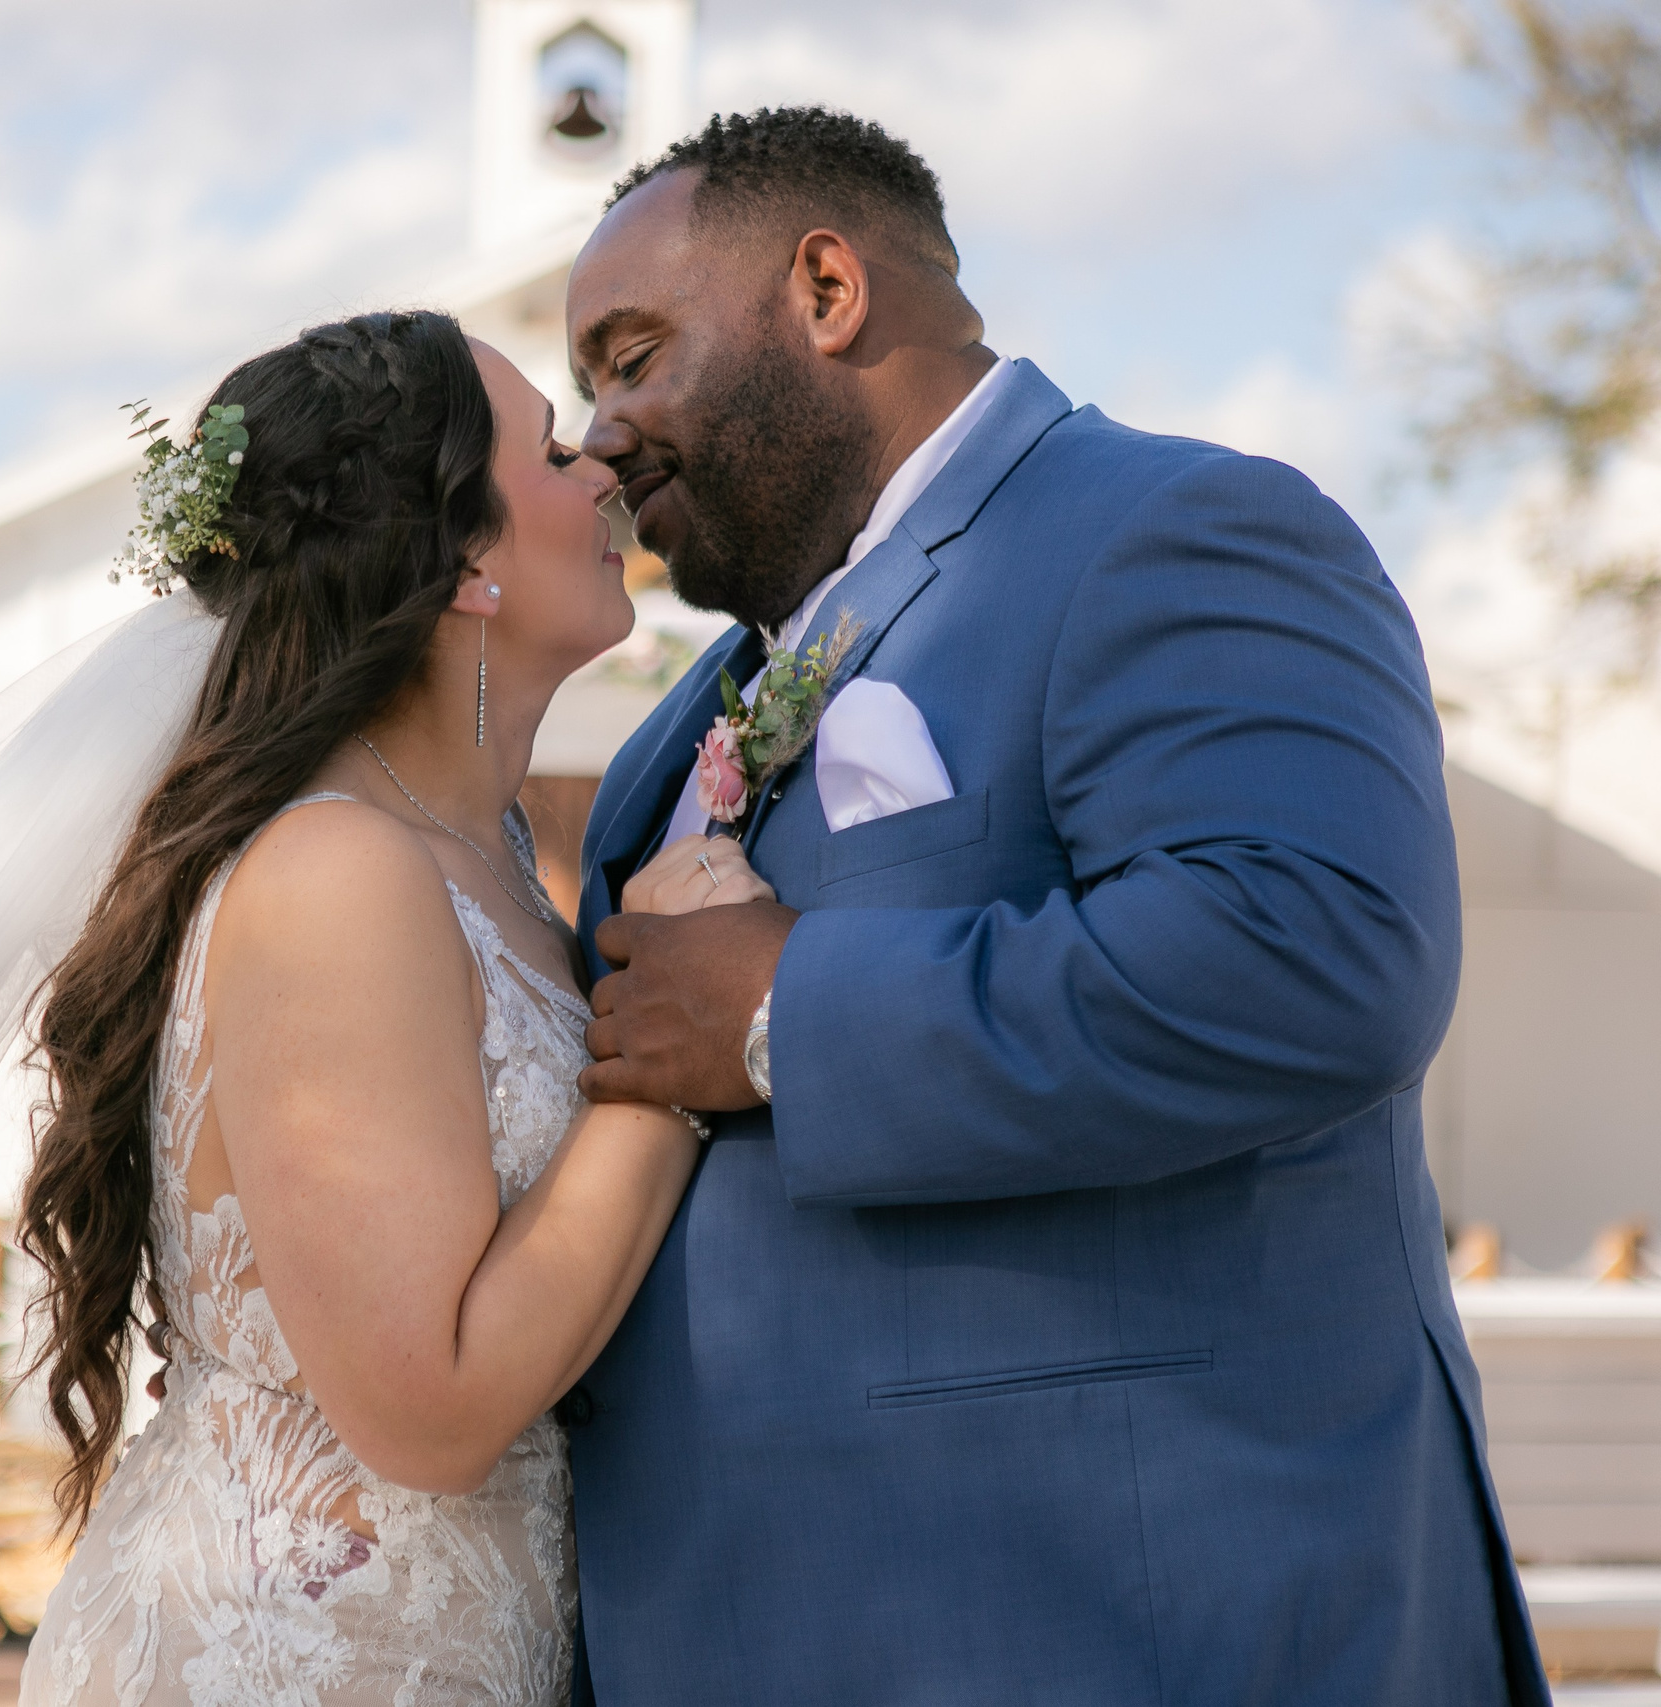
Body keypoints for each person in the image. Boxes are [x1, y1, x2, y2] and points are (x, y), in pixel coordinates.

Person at [563, 107, 1549, 1705]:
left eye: (631, 354)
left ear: (825, 289)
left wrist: (774, 1013)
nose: (600, 432)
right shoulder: (677, 737)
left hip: (1130, 1632)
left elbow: (1315, 954)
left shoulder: (1174, 532)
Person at [14, 309, 731, 1706]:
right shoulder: (340, 870)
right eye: (545, 444)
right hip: (292, 1662)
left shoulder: (499, 861)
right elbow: (436, 1407)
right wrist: (680, 1055)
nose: (599, 468)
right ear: (466, 556)